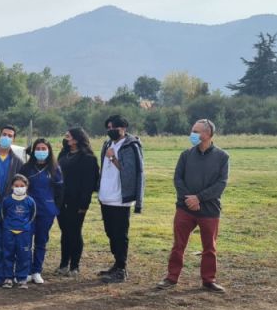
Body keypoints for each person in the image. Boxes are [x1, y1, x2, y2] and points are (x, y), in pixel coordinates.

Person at [157, 119, 230, 293]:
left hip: (210, 210)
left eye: (196, 131)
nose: (193, 134)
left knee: (210, 247)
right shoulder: (186, 155)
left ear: (208, 134)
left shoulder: (222, 157)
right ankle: (171, 277)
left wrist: (199, 198)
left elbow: (221, 183)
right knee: (178, 245)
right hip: (184, 209)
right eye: (192, 131)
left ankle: (208, 280)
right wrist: (188, 199)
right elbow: (178, 179)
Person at [97, 115, 145, 284]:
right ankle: (116, 264)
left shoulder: (130, 146)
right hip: (106, 197)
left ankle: (122, 268)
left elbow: (130, 172)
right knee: (110, 232)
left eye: (113, 127)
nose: (110, 130)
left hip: (120, 199)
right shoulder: (107, 144)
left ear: (123, 128)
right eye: (108, 127)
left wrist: (112, 158)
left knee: (120, 234)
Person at [55, 128, 100, 277]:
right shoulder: (63, 154)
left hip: (76, 202)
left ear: (76, 139)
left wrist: (83, 205)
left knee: (74, 232)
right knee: (65, 232)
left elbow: (89, 184)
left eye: (68, 136)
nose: (66, 138)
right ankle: (63, 264)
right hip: (62, 200)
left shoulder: (88, 158)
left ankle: (74, 265)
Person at [21, 138, 63, 284]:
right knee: (26, 241)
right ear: (33, 151)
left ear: (49, 151)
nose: (40, 151)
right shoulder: (26, 168)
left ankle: (36, 270)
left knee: (41, 241)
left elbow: (60, 190)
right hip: (28, 211)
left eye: (43, 149)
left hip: (46, 211)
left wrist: (55, 206)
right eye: (37, 149)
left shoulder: (54, 168)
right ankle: (25, 271)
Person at [2, 174, 36, 289]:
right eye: (16, 185)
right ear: (12, 186)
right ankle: (8, 278)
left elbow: (32, 215)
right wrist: (7, 226)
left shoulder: (30, 201)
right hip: (9, 231)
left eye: (22, 186)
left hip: (24, 233)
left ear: (26, 187)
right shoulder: (7, 200)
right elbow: (3, 214)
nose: (19, 188)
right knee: (8, 254)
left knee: (24, 255)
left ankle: (22, 278)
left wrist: (25, 226)